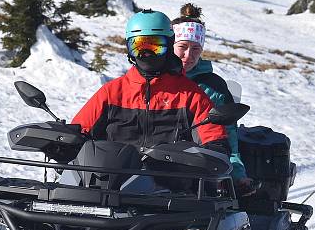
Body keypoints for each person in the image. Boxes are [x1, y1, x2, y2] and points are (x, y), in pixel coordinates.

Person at [72, 9, 228, 153]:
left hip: (170, 179)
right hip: (113, 179)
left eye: (156, 46)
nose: (147, 54)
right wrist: (63, 142)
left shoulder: (190, 95)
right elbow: (79, 130)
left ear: (169, 45)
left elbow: (212, 137)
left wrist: (215, 148)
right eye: (138, 47)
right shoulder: (112, 92)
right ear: (129, 50)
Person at [171, 3, 255, 195]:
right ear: (170, 45)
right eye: (182, 47)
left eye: (196, 49)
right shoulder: (155, 79)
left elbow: (228, 139)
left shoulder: (213, 87)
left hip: (199, 169)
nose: (188, 56)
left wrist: (237, 175)